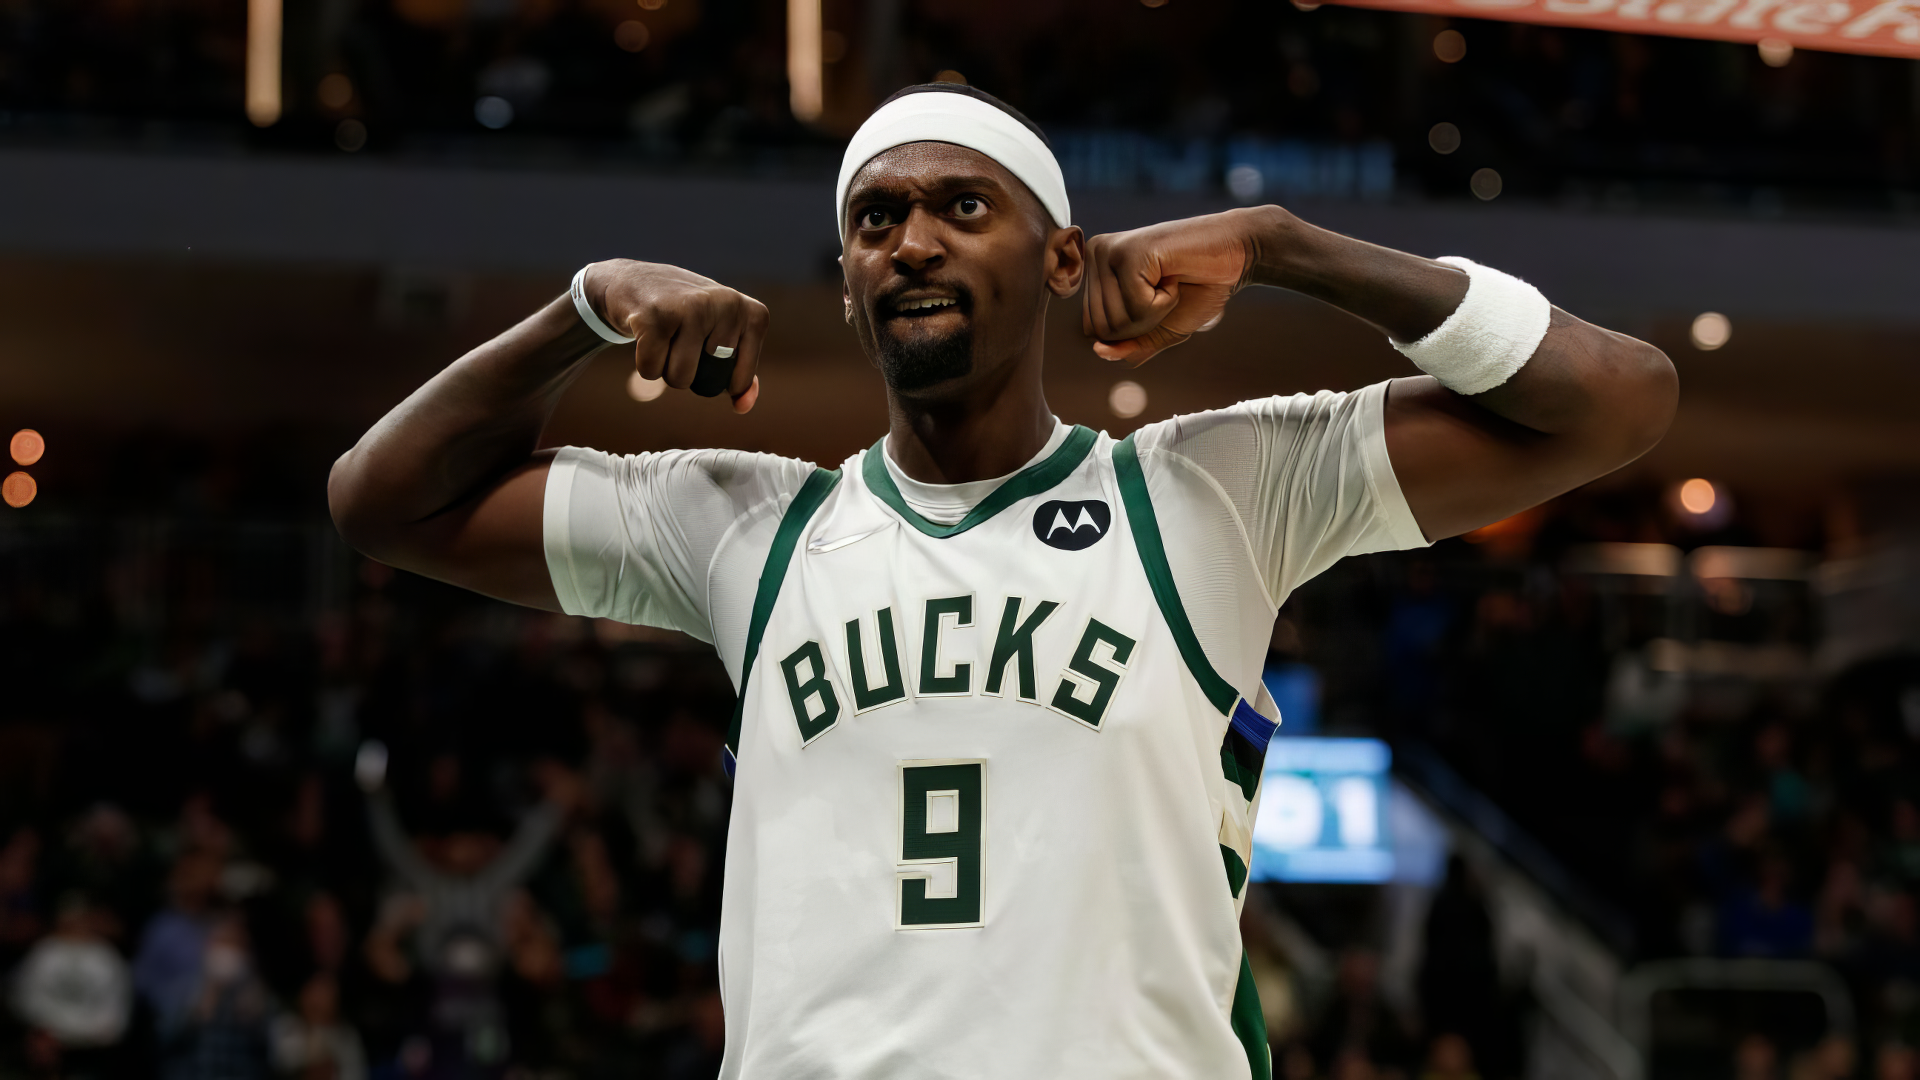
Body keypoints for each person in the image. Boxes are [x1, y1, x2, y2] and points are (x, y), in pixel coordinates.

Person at [328, 82, 1676, 1078]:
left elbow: (1615, 403)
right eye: (876, 219)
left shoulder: (1207, 488)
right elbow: (382, 502)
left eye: (961, 207)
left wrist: (1285, 246)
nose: (911, 241)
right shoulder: (742, 522)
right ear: (850, 293)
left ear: (1062, 260)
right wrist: (581, 308)